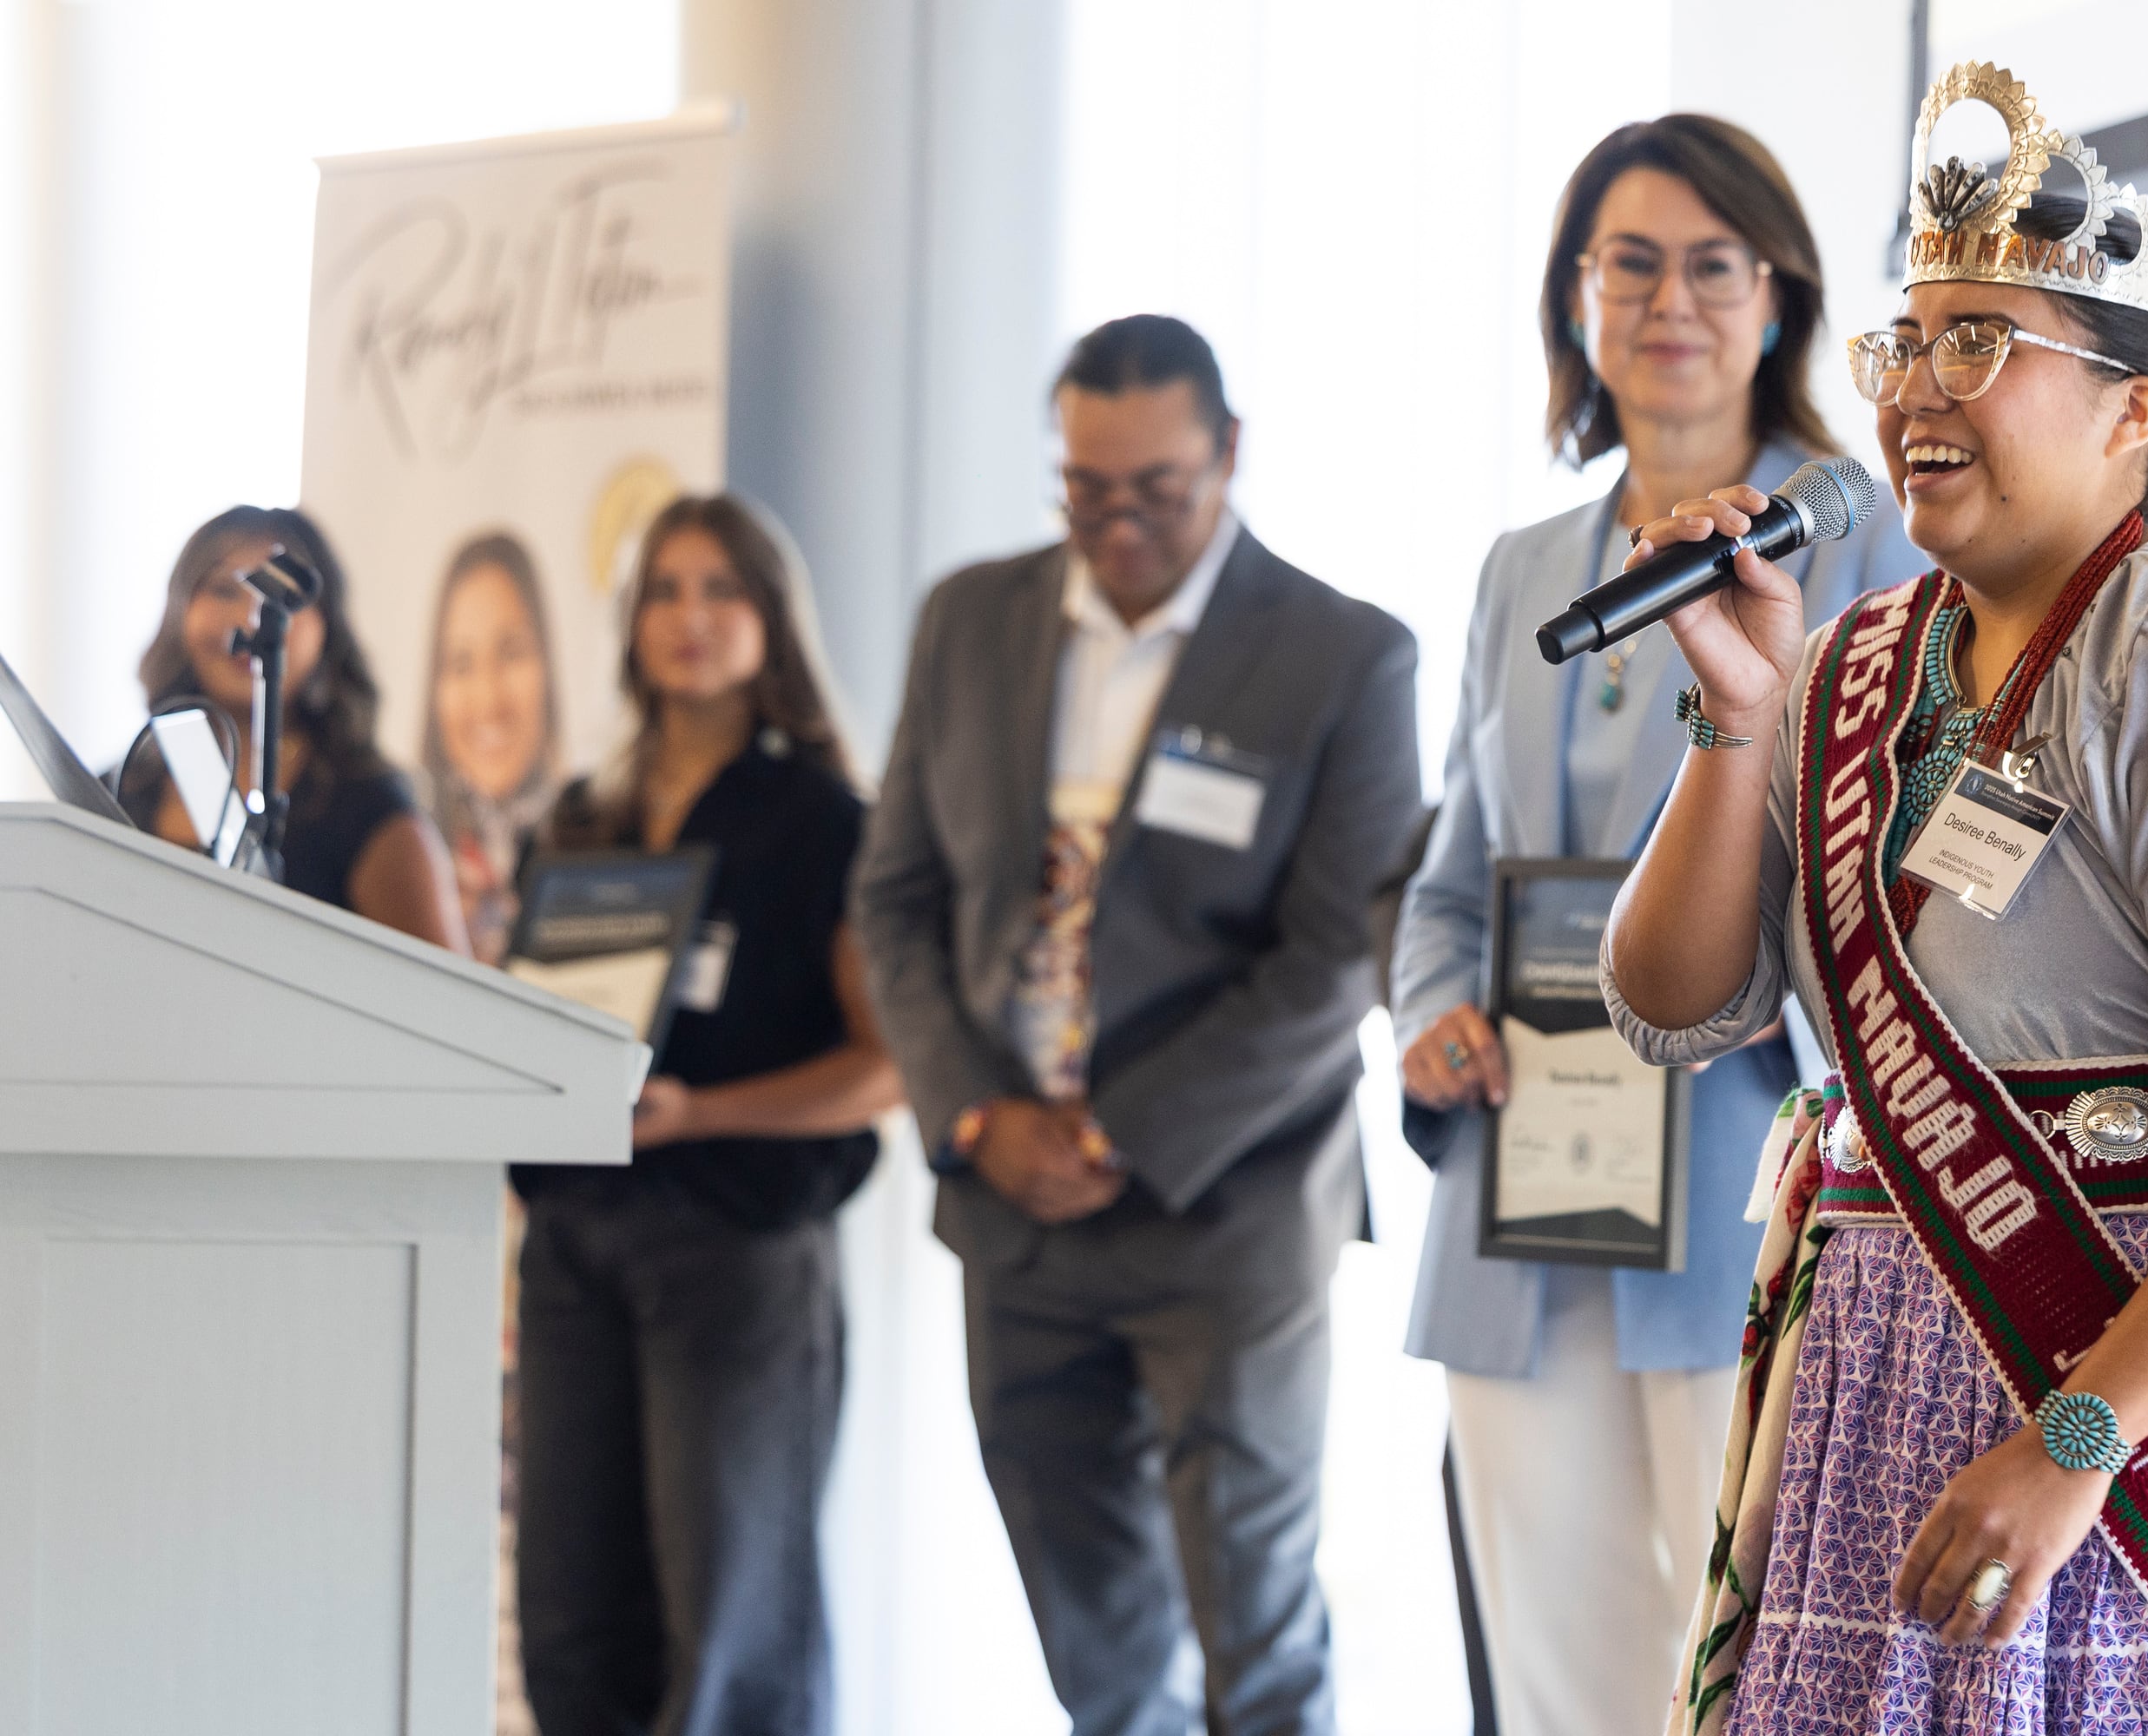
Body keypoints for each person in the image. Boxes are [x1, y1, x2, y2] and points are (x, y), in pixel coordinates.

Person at [1606, 64, 2148, 1735]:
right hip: (1871, 1375)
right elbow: (1674, 1006)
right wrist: (1736, 715)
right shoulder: (1849, 656)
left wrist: (2075, 1443)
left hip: (2128, 1402)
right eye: (1906, 342)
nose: (1921, 384)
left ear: (2138, 412)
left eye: (1980, 343)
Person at [1389, 114, 1920, 1736]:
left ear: (1778, 301)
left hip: (1739, 1198)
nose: (1669, 300)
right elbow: (1451, 874)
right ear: (1575, 298)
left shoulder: (1869, 546)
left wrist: (1784, 985)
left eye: (1713, 265)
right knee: (1553, 1681)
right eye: (1632, 262)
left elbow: (1897, 881)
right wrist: (1427, 1010)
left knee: (1741, 1679)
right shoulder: (1520, 568)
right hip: (1524, 1199)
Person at [857, 313, 1422, 1736]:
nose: (1117, 526)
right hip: (1015, 1210)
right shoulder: (969, 621)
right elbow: (899, 901)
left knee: (1257, 1627)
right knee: (1094, 1638)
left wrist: (1114, 1130)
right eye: (1084, 491)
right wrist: (980, 1120)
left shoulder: (1343, 655)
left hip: (1226, 1211)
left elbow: (1331, 959)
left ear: (1227, 457)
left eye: (1155, 492)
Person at [511, 493, 902, 1736]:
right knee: (568, 1618)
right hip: (575, 1240)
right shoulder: (583, 815)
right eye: (666, 591)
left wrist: (701, 1112)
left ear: (771, 622)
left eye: (721, 590)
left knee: (733, 1629)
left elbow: (885, 1067)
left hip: (736, 1249)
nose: (690, 618)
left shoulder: (823, 821)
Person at [129, 504, 465, 950]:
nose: (250, 616)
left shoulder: (368, 810)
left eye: (277, 594)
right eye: (223, 590)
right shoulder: (122, 787)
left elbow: (444, 1004)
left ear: (327, 624)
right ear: (180, 608)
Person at [423, 530, 560, 965]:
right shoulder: (400, 854)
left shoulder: (600, 841)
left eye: (512, 653)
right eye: (461, 664)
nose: (489, 699)